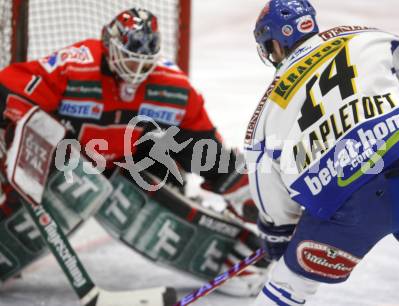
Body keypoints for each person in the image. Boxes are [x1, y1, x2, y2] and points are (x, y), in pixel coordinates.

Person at [0, 7, 263, 296]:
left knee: (162, 163)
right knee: (80, 180)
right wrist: (14, 129)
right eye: (128, 58)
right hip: (65, 165)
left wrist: (248, 197)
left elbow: (205, 147)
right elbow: (12, 92)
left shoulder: (172, 87)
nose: (135, 71)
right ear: (109, 45)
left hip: (124, 170)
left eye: (142, 62)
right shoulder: (75, 65)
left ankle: (234, 253)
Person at [245, 0, 399, 304]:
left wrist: (279, 233)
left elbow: (269, 188)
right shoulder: (368, 37)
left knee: (288, 285)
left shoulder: (266, 112)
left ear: (276, 44)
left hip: (349, 205)